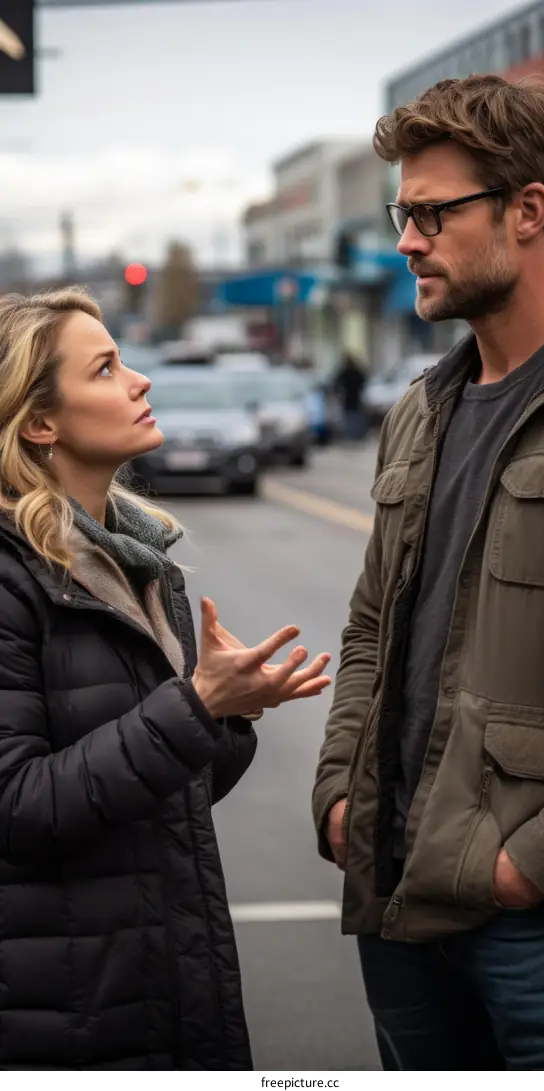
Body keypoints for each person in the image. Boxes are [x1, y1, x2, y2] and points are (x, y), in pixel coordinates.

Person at [312, 73, 544, 1071]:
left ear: (529, 211)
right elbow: (367, 629)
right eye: (404, 212)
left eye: (433, 212)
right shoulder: (420, 412)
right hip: (393, 893)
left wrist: (540, 861)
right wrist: (341, 794)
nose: (406, 240)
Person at [0, 287, 331, 1070]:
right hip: (68, 1012)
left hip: (164, 974)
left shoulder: (140, 563)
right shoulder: (13, 576)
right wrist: (196, 703)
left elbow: (171, 799)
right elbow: (17, 809)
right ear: (41, 421)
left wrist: (228, 713)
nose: (141, 381)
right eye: (108, 369)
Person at [333, 352, 367, 440]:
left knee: (351, 416)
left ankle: (352, 434)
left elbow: (336, 384)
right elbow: (363, 381)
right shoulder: (354, 372)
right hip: (353, 397)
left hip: (350, 397)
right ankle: (355, 434)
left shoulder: (346, 372)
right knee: (353, 416)